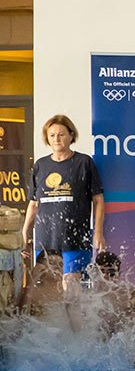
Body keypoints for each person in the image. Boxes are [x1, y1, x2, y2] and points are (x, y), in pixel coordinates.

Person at [23, 114, 105, 289]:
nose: (56, 139)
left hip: (75, 239)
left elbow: (98, 200)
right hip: (46, 240)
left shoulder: (84, 162)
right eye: (52, 135)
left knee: (72, 287)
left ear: (71, 136)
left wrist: (98, 232)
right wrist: (25, 232)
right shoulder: (40, 165)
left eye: (61, 134)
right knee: (48, 289)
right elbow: (33, 204)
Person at [18, 249, 67, 321]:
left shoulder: (67, 292)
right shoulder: (33, 292)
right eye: (51, 263)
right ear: (40, 268)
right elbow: (22, 318)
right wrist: (32, 280)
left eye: (61, 264)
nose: (57, 267)